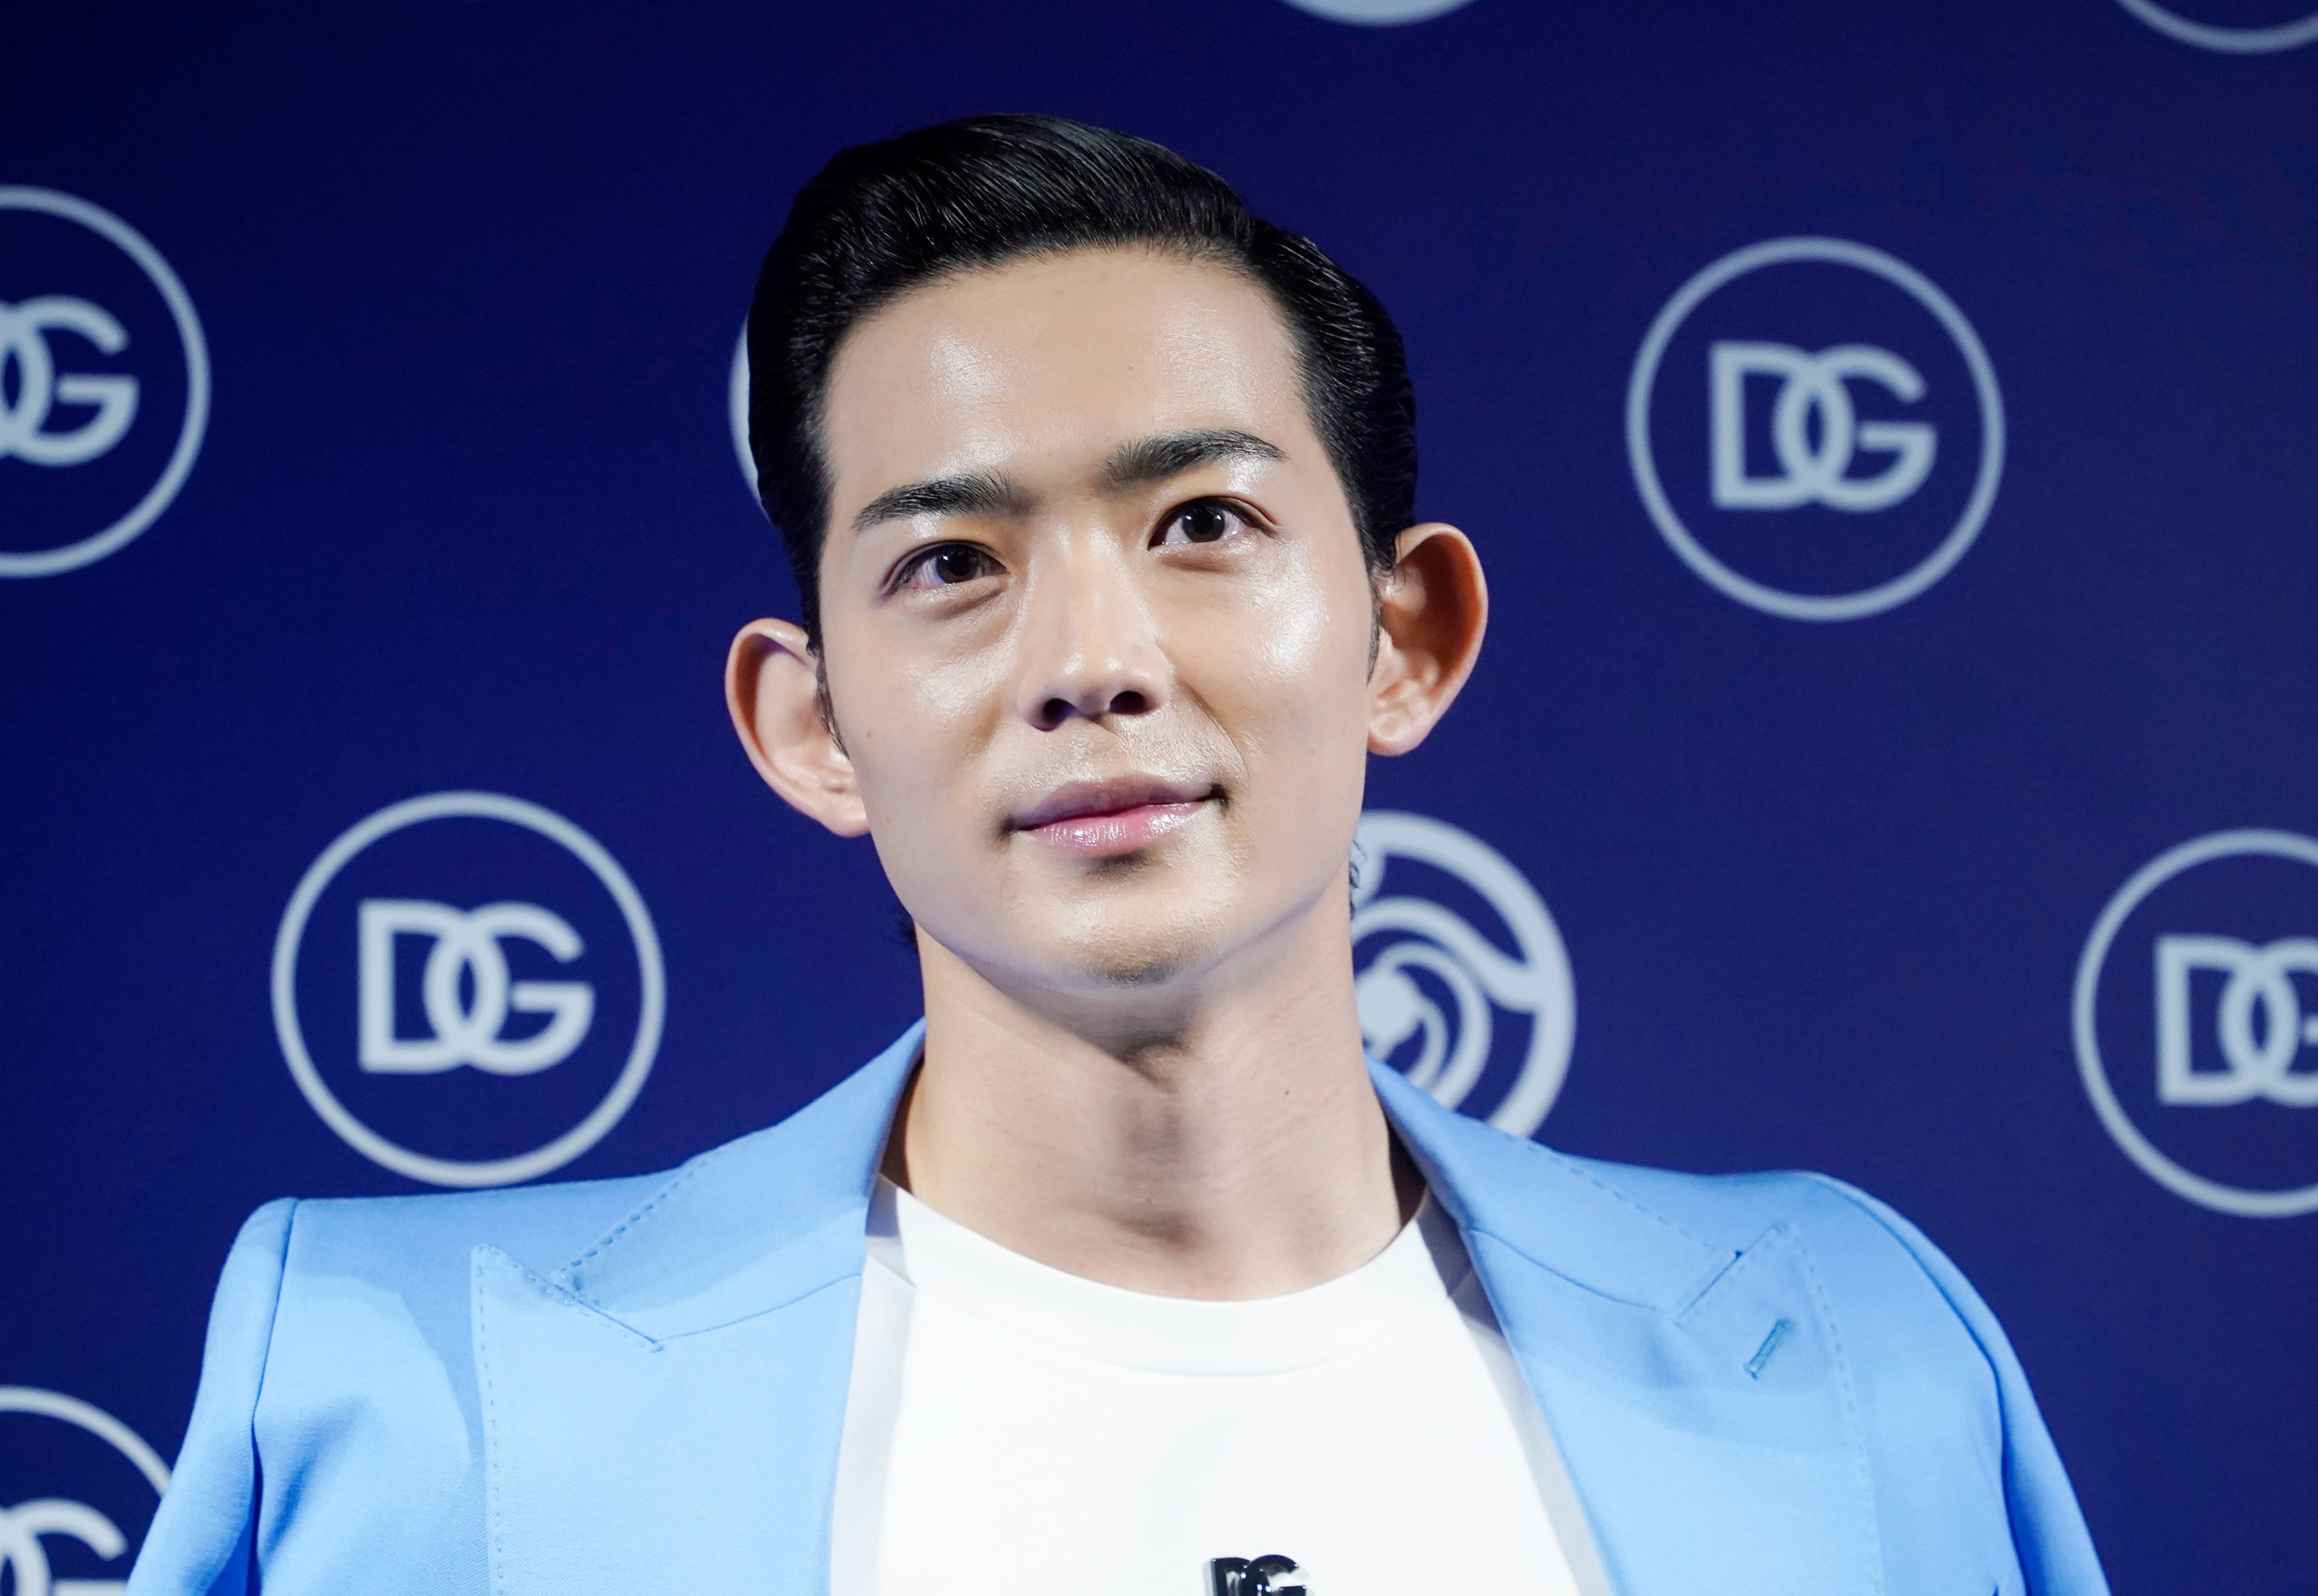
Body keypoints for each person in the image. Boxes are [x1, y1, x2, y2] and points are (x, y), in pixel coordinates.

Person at [128, 116, 2108, 1596]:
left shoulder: (1858, 1344)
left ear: (1405, 637)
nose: (1093, 661)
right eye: (951, 563)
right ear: (810, 724)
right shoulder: (396, 1388)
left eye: (1202, 527)